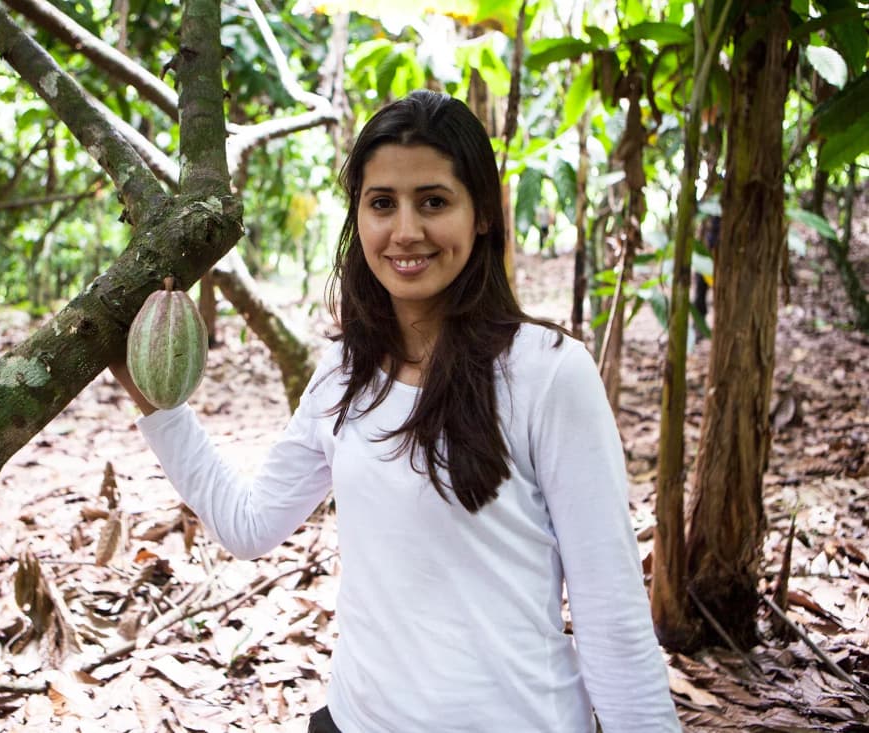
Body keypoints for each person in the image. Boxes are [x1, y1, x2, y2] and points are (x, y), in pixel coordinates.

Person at [111, 90, 681, 733]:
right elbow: (249, 525)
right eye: (382, 203)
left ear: (483, 215)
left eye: (433, 201)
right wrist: (156, 401)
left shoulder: (549, 373)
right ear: (359, 216)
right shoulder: (343, 375)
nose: (405, 231)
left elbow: (611, 614)